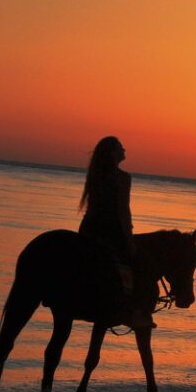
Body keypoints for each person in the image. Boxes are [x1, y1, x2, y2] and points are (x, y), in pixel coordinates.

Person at [78, 136, 141, 325]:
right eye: (121, 147)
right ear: (113, 153)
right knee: (134, 265)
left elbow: (93, 208)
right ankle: (125, 309)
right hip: (110, 231)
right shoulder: (122, 178)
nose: (125, 150)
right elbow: (122, 211)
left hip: (89, 228)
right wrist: (129, 240)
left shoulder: (95, 174)